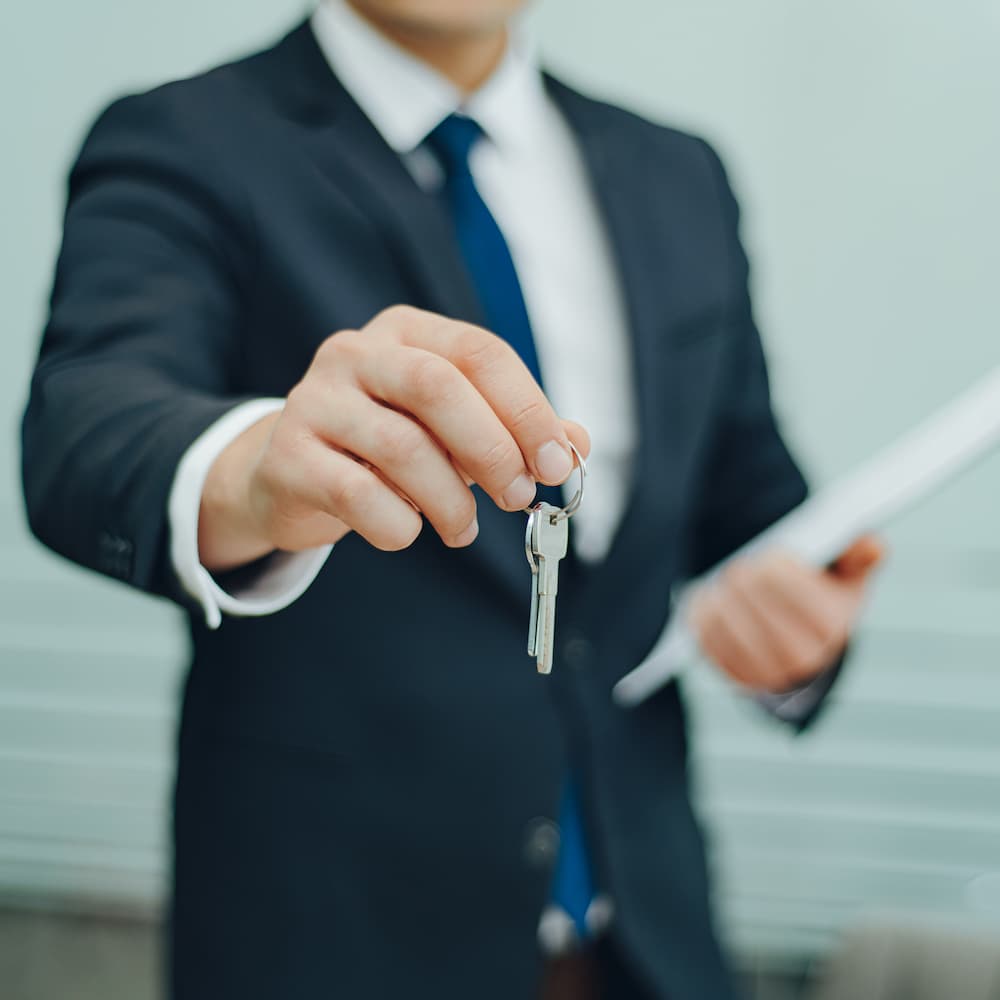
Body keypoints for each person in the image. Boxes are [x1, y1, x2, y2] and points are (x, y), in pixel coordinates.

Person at [21, 1, 883, 997]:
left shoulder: (678, 172)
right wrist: (257, 469)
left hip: (647, 943)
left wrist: (800, 640)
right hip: (332, 944)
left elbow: (754, 512)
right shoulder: (186, 141)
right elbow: (85, 425)